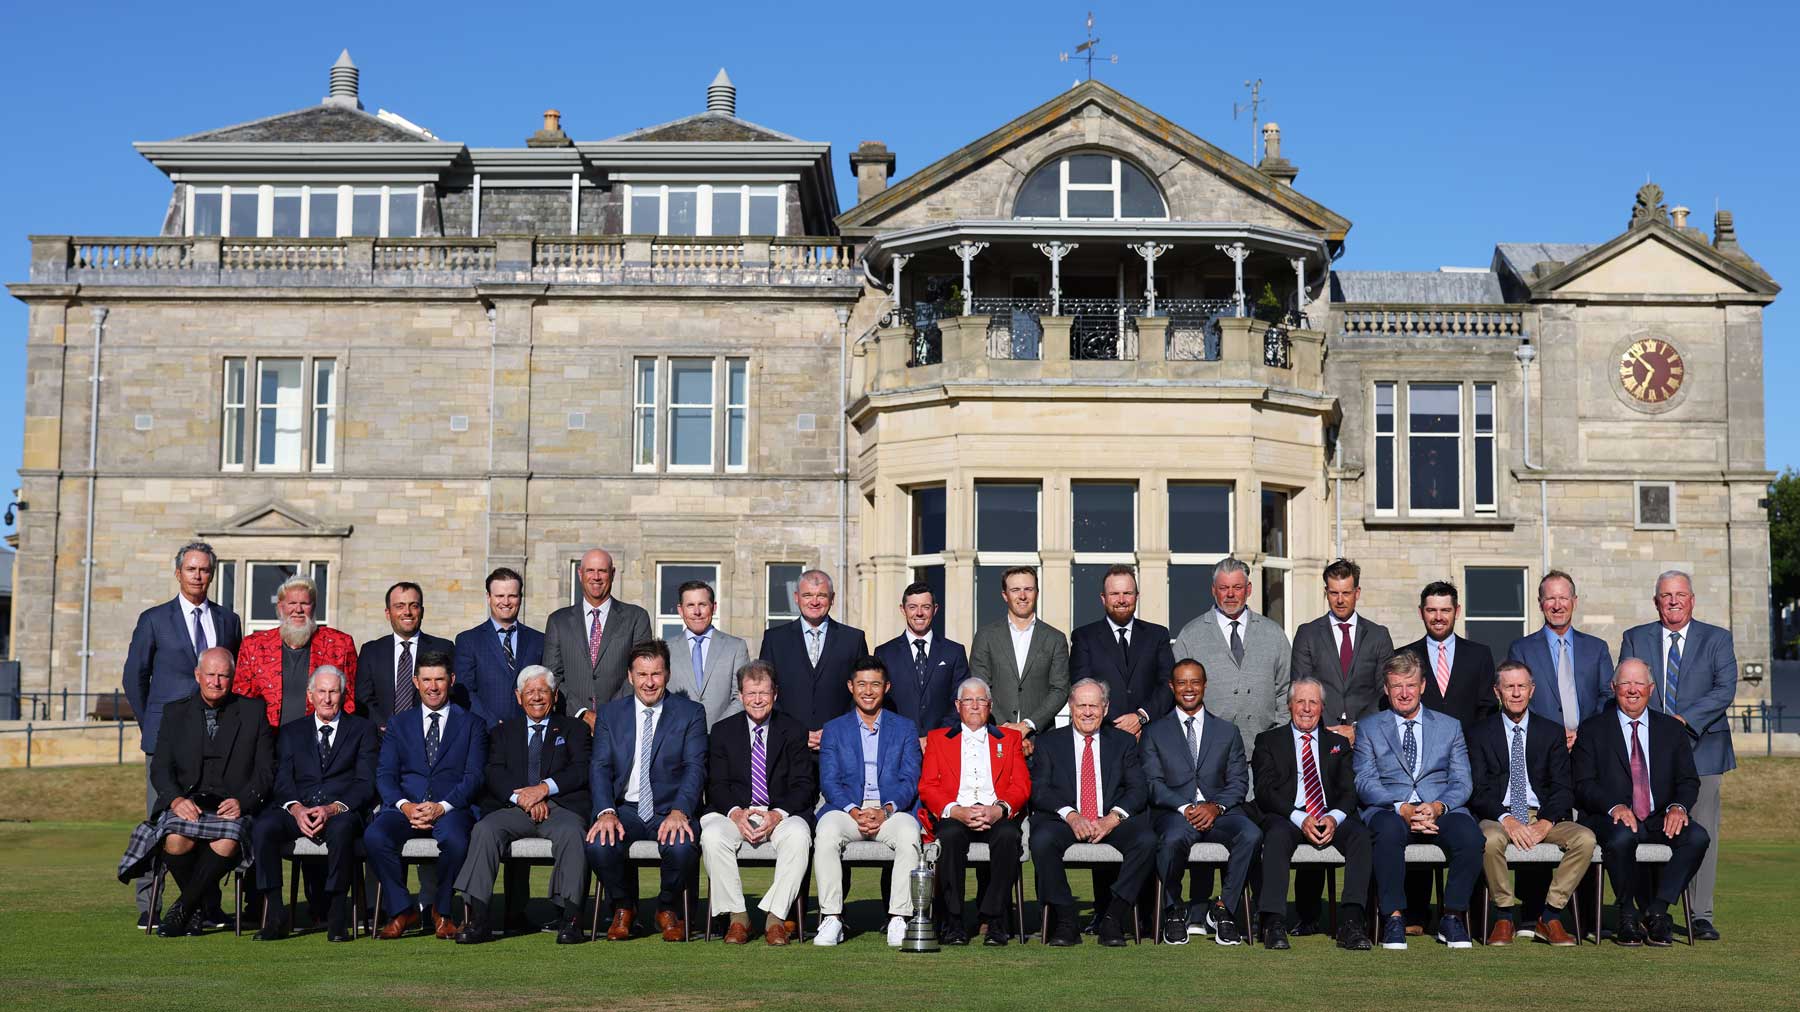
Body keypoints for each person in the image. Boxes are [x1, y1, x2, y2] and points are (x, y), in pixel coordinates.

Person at [122, 541, 242, 929]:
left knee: (210, 821)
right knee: (161, 820)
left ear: (212, 574)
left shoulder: (228, 620)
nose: (198, 575)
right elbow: (134, 678)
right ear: (178, 573)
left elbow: (229, 675)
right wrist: (152, 725)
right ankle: (148, 903)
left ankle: (207, 903)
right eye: (191, 569)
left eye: (205, 569)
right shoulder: (154, 619)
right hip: (166, 739)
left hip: (216, 742)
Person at [116, 647, 272, 937]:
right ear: (198, 675)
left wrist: (243, 801)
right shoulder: (175, 712)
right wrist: (175, 800)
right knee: (175, 840)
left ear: (232, 677)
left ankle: (183, 909)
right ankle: (202, 906)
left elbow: (265, 771)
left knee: (227, 841)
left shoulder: (252, 712)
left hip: (232, 806)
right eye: (210, 674)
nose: (216, 681)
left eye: (224, 675)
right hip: (188, 803)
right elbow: (160, 768)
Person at [1617, 570, 1734, 941]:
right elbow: (1627, 687)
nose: (1673, 601)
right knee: (1649, 828)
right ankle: (1654, 909)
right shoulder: (1635, 638)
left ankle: (1700, 914)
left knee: (1699, 833)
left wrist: (1682, 721)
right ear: (1656, 601)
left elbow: (1724, 689)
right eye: (1666, 595)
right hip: (1646, 755)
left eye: (1680, 594)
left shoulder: (1717, 639)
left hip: (1704, 753)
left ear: (1692, 599)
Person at [1572, 658, 1711, 947]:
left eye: (1639, 684)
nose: (1632, 690)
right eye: (1625, 683)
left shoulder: (1671, 730)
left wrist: (1678, 807)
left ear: (1651, 688)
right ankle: (1626, 914)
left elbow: (1688, 781)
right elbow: (1583, 784)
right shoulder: (1593, 729)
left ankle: (1657, 911)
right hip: (1610, 817)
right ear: (1613, 688)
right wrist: (1614, 806)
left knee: (1697, 837)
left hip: (1659, 816)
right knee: (1622, 838)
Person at [1285, 557, 1391, 934]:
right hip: (1318, 738)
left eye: (1347, 593)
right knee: (1315, 810)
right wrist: (1327, 731)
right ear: (1326, 592)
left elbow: (1385, 693)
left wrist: (1358, 730)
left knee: (1359, 824)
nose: (1340, 600)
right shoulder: (1308, 633)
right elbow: (1301, 687)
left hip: (1365, 744)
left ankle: (1361, 911)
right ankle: (1308, 913)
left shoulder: (1378, 635)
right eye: (1334, 593)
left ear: (1357, 592)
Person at [453, 664, 591, 945]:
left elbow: (581, 769)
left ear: (554, 695)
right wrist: (523, 799)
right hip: (515, 808)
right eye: (530, 691)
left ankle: (571, 919)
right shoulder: (503, 732)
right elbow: (493, 772)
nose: (536, 697)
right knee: (485, 830)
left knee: (573, 835)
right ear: (518, 696)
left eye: (543, 691)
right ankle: (478, 919)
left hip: (560, 807)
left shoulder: (574, 728)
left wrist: (542, 790)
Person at [1353, 652, 1483, 950]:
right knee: (1387, 832)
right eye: (1396, 686)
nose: (1404, 693)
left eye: (1410, 685)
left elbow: (1462, 781)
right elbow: (1364, 780)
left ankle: (1451, 917)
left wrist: (1437, 808)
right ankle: (1395, 918)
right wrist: (1402, 807)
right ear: (1386, 689)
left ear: (1423, 685)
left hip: (1439, 807)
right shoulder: (1370, 727)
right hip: (1389, 808)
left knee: (1470, 837)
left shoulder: (1449, 726)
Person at [584, 640, 707, 942]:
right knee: (599, 843)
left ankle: (666, 909)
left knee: (681, 845)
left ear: (667, 674)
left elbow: (696, 767)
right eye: (642, 675)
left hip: (670, 808)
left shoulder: (690, 713)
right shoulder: (611, 715)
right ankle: (624, 907)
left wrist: (680, 811)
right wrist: (605, 812)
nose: (649, 683)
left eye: (656, 674)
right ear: (630, 676)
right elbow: (599, 766)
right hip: (625, 809)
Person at [363, 650, 489, 940]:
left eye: (440, 679)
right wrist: (406, 807)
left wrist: (442, 807)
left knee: (457, 840)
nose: (433, 686)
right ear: (416, 681)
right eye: (427, 679)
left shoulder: (472, 724)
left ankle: (441, 911)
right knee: (374, 836)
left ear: (451, 680)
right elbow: (385, 775)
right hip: (405, 809)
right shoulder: (398, 723)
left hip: (451, 808)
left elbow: (474, 777)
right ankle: (402, 909)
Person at [1468, 661, 1594, 946]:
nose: (1515, 693)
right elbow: (1477, 789)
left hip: (1542, 815)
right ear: (1497, 691)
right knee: (1488, 841)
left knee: (1585, 839)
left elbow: (1563, 787)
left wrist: (1545, 823)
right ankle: (1503, 915)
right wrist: (1507, 819)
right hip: (1498, 816)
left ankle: (1549, 916)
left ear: (1532, 690)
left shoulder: (1550, 732)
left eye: (1521, 687)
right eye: (1509, 687)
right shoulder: (1478, 733)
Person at [247, 665, 376, 942]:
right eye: (322, 692)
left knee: (343, 832)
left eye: (333, 692)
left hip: (340, 810)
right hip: (300, 809)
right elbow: (282, 780)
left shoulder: (362, 730)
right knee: (263, 828)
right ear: (310, 695)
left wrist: (332, 809)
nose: (327, 698)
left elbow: (365, 783)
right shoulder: (292, 731)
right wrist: (296, 809)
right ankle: (275, 913)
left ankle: (336, 912)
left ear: (343, 694)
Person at [1141, 659, 1261, 946]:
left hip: (1219, 813)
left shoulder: (1227, 731)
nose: (1189, 688)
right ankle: (1173, 910)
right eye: (1182, 683)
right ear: (1172, 687)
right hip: (1174, 813)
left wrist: (1215, 806)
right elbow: (1152, 783)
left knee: (1252, 833)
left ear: (1205, 685)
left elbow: (1238, 783)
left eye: (1194, 682)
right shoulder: (1154, 732)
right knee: (1169, 840)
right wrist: (1186, 808)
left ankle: (1223, 909)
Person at [1249, 677, 1373, 951]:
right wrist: (1298, 817)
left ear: (1322, 707)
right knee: (1277, 836)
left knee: (1360, 837)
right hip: (1287, 815)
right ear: (1289, 704)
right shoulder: (1268, 740)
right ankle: (1273, 922)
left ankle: (1351, 922)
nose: (1306, 708)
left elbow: (1349, 790)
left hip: (1329, 815)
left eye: (1313, 702)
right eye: (1300, 701)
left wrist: (1334, 817)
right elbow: (1265, 790)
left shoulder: (1338, 743)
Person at [1029, 678, 1154, 947]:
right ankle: (1065, 920)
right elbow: (1039, 790)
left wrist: (1112, 818)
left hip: (1110, 820)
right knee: (1040, 840)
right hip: (1067, 820)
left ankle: (1113, 918)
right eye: (1081, 705)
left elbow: (1138, 789)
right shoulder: (1049, 742)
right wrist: (1072, 815)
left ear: (1105, 709)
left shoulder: (1123, 742)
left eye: (1094, 706)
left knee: (1146, 840)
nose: (1088, 712)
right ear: (1071, 707)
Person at [700, 660, 816, 945]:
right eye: (750, 693)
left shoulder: (794, 729)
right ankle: (738, 918)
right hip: (735, 812)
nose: (757, 700)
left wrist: (776, 815)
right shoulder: (723, 731)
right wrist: (737, 814)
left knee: (800, 836)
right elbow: (716, 785)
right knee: (712, 836)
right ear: (740, 695)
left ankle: (775, 919)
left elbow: (804, 784)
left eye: (763, 693)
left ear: (775, 693)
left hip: (779, 813)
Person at [812, 656, 924, 948]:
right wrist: (854, 810)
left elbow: (910, 779)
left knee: (909, 833)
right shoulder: (834, 729)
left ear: (886, 687)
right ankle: (832, 916)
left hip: (890, 809)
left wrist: (886, 810)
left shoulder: (905, 728)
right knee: (825, 832)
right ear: (850, 687)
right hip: (847, 809)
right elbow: (829, 780)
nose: (868, 690)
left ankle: (899, 917)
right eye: (861, 684)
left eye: (875, 684)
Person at [918, 676, 1031, 946]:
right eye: (968, 700)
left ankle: (995, 920)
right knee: (950, 838)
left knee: (1007, 838)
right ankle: (954, 921)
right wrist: (955, 810)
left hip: (996, 813)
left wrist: (999, 809)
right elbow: (928, 786)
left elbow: (1021, 785)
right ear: (958, 705)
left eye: (981, 700)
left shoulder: (1010, 738)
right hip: (956, 813)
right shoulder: (938, 739)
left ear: (990, 705)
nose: (974, 705)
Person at [1170, 557, 1290, 756]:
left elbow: (1285, 691)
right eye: (1224, 588)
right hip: (1208, 755)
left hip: (1265, 754)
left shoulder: (1274, 634)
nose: (1231, 594)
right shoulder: (1190, 636)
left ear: (1249, 589)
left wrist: (1277, 738)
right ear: (1213, 590)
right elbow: (1178, 697)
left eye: (1237, 587)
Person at [758, 569, 868, 746]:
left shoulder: (853, 640)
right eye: (807, 595)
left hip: (840, 744)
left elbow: (862, 692)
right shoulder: (775, 639)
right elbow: (765, 691)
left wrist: (837, 730)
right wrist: (796, 732)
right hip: (788, 745)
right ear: (796, 597)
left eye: (822, 595)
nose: (814, 602)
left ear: (832, 598)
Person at [968, 566, 1070, 757]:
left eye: (1028, 589)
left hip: (1040, 742)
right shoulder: (985, 636)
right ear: (1005, 595)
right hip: (993, 738)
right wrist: (1007, 731)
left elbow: (1060, 689)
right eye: (1015, 590)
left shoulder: (1055, 639)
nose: (1022, 596)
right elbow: (979, 687)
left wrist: (1027, 726)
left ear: (1037, 593)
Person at [544, 549, 652, 728]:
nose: (596, 577)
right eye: (590, 570)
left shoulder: (636, 617)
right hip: (571, 725)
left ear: (613, 573)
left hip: (621, 721)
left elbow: (641, 671)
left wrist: (609, 712)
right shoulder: (558, 621)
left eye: (602, 571)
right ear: (580, 573)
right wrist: (582, 713)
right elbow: (552, 676)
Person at [233, 573, 358, 728]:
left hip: (320, 741)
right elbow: (241, 700)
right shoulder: (254, 645)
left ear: (314, 607)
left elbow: (350, 701)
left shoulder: (340, 644)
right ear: (280, 607)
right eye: (292, 603)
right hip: (267, 740)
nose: (298, 609)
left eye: (305, 603)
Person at [1505, 571, 1613, 748]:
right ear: (1540, 604)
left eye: (1563, 598)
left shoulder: (1597, 648)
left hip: (1589, 745)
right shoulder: (1521, 650)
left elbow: (1608, 695)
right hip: (1542, 746)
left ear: (1574, 602)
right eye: (1550, 599)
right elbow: (1519, 699)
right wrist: (1553, 734)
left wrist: (1584, 732)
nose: (1557, 606)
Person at [1068, 564, 1175, 737]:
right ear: (1103, 598)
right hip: (1104, 735)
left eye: (1127, 593)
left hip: (1150, 736)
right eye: (1114, 594)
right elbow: (1082, 687)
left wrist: (1141, 717)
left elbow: (1168, 684)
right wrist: (1121, 724)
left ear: (1137, 596)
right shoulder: (1084, 637)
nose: (1121, 600)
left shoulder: (1157, 635)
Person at [355, 581, 454, 733]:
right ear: (388, 613)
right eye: (399, 606)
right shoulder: (371, 651)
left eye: (413, 605)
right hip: (382, 738)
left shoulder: (444, 648)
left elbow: (451, 695)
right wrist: (386, 725)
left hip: (430, 735)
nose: (407, 612)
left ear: (422, 611)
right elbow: (363, 698)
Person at [452, 567, 545, 728]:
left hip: (530, 733)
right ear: (488, 597)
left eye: (512, 596)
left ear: (520, 598)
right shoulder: (468, 640)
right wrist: (493, 723)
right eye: (500, 596)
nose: (506, 602)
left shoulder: (539, 640)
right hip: (485, 733)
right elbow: (464, 691)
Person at [1397, 581, 1496, 732]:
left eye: (1445, 610)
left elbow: (1488, 708)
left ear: (1456, 612)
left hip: (1467, 748)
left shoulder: (1480, 655)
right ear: (1421, 612)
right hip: (1418, 748)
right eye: (1431, 610)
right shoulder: (1402, 656)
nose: (1438, 617)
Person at [872, 581, 968, 736]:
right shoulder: (884, 653)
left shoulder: (954, 652)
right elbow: (880, 702)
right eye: (912, 607)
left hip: (942, 744)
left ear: (935, 609)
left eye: (926, 607)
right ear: (902, 609)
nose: (919, 613)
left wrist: (936, 737)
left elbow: (961, 700)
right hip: (898, 742)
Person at [665, 579, 750, 727]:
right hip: (678, 735)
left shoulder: (736, 647)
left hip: (723, 738)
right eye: (690, 605)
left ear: (713, 607)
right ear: (680, 610)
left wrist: (718, 729)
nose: (697, 612)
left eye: (702, 605)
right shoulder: (666, 649)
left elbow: (741, 695)